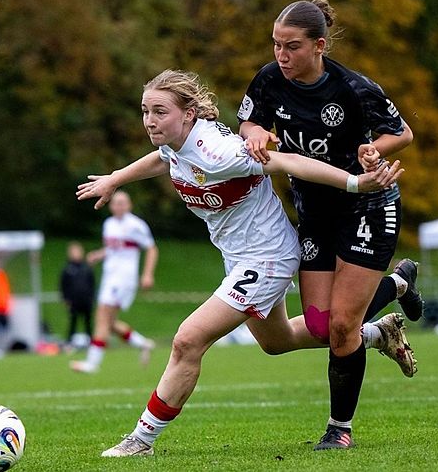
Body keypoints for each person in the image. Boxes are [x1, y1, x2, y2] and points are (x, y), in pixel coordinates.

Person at [79, 69, 415, 457]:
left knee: (188, 340)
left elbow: (288, 161)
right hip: (240, 257)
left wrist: (355, 182)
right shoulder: (177, 143)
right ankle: (380, 328)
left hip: (268, 257)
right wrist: (115, 179)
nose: (150, 121)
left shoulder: (219, 152)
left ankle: (142, 440)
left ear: (188, 114)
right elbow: (162, 159)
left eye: (160, 111)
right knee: (278, 342)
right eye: (145, 111)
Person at [237, 0, 421, 449]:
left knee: (342, 327)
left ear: (319, 45)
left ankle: (340, 431)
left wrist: (373, 150)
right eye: (276, 45)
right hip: (314, 211)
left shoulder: (354, 88)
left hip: (367, 207)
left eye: (292, 46)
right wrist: (254, 132)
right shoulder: (267, 79)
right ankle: (398, 285)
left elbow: (403, 134)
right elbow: (248, 123)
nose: (281, 55)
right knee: (321, 327)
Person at [69, 191, 159, 373]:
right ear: (111, 206)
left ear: (129, 205)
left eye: (123, 202)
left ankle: (92, 363)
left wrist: (147, 274)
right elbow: (113, 248)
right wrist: (98, 254)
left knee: (102, 316)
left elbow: (151, 249)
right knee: (108, 322)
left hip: (124, 278)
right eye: (116, 203)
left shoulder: (136, 225)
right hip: (110, 276)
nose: (119, 206)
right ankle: (142, 344)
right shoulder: (108, 224)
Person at [59, 241, 96, 346]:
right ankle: (69, 342)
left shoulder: (86, 268)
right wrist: (65, 298)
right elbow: (63, 285)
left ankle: (92, 342)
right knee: (73, 322)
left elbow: (92, 283)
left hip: (86, 300)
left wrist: (92, 297)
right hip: (73, 301)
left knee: (88, 322)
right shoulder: (67, 269)